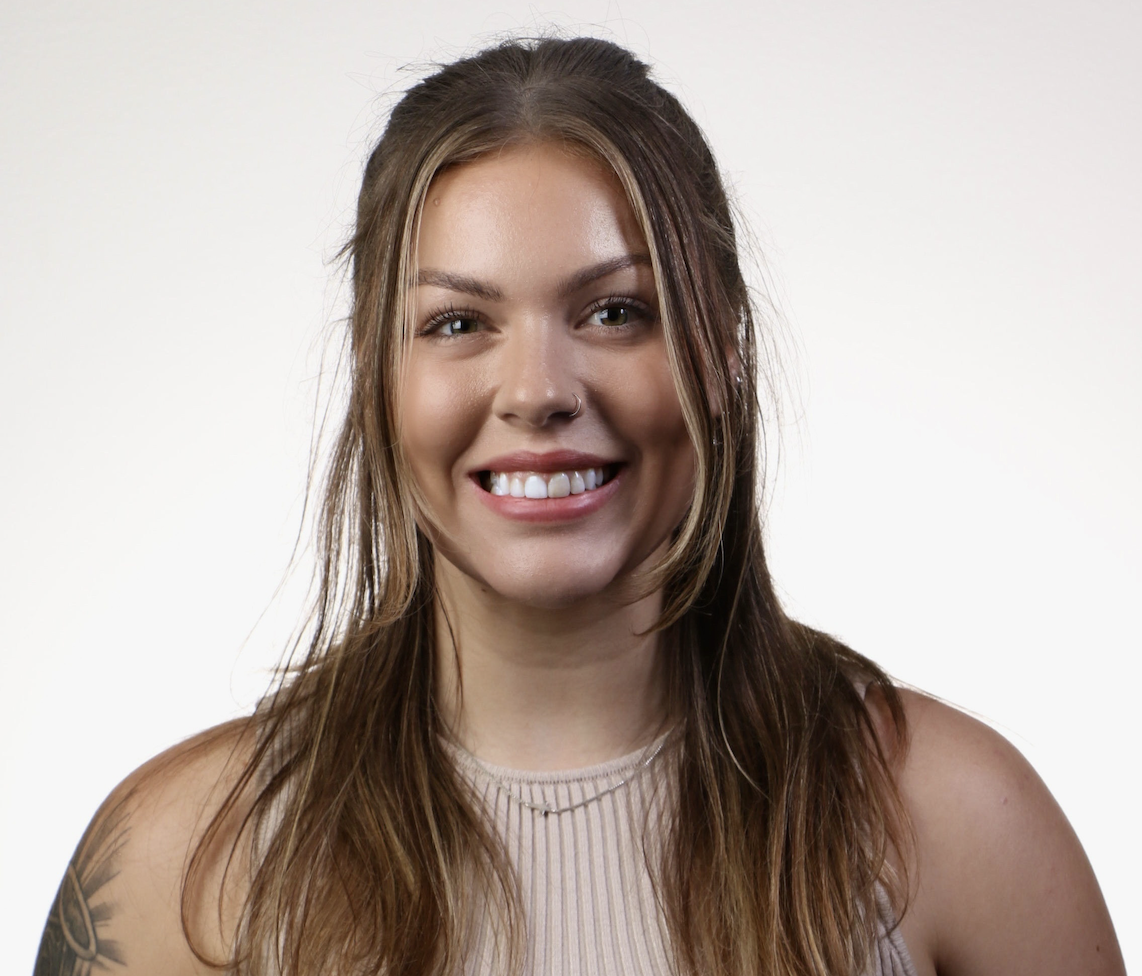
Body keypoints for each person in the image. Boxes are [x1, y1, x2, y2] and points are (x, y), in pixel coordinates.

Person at [33, 36, 1124, 976]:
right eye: (457, 324)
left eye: (613, 310)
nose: (538, 390)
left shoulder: (954, 822)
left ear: (723, 352)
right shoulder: (178, 863)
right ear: (376, 373)